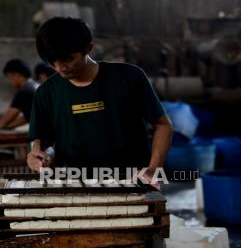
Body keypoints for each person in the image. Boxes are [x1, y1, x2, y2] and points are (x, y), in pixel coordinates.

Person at [27, 17, 173, 184]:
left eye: (67, 59)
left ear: (87, 48)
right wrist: (36, 155)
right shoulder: (46, 92)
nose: (60, 68)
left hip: (131, 180)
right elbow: (41, 142)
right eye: (52, 62)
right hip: (74, 184)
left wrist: (152, 170)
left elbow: (163, 125)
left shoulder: (129, 77)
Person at [0, 59, 38, 129]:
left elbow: (8, 117)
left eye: (9, 77)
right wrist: (6, 126)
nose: (9, 82)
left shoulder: (25, 90)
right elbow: (27, 117)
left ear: (17, 75)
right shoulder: (36, 85)